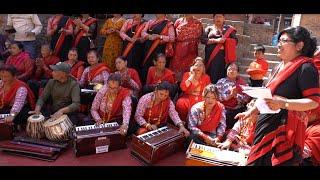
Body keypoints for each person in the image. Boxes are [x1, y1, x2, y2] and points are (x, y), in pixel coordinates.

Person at [235, 26, 320, 166]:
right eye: (279, 40)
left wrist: (284, 104)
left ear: (299, 45)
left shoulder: (306, 68)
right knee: (257, 161)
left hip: (287, 129)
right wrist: (251, 111)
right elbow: (268, 94)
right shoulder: (278, 67)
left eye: (284, 40)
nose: (278, 44)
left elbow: (313, 102)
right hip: (266, 123)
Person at [200, 14, 237, 84]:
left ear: (224, 19)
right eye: (216, 17)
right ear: (213, 18)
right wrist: (216, 41)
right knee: (209, 73)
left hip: (223, 57)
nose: (218, 19)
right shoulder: (209, 28)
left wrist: (225, 41)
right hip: (210, 56)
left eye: (220, 17)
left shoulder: (229, 29)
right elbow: (202, 40)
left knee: (221, 74)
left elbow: (235, 41)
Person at [140, 14, 175, 83]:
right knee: (146, 67)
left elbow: (172, 38)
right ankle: (146, 86)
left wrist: (159, 36)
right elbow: (142, 32)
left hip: (160, 49)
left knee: (159, 67)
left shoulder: (168, 24)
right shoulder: (150, 22)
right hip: (148, 48)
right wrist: (148, 36)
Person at [215, 63, 251, 129]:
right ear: (226, 71)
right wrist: (230, 96)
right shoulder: (221, 82)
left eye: (234, 69)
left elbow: (247, 98)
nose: (231, 71)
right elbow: (217, 96)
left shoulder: (242, 83)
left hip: (238, 109)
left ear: (237, 73)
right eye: (229, 69)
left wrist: (236, 96)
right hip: (224, 108)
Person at [176, 57, 211, 122]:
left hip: (201, 97)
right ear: (192, 67)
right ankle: (182, 122)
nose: (198, 67)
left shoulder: (206, 77)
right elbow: (183, 88)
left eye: (201, 65)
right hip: (188, 96)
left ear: (203, 68)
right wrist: (192, 76)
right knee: (180, 103)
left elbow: (208, 90)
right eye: (196, 65)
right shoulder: (187, 74)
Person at [170, 14, 203, 81]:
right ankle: (176, 86)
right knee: (176, 69)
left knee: (189, 69)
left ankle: (187, 87)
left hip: (191, 50)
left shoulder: (198, 23)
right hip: (179, 50)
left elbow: (200, 37)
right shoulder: (178, 21)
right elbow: (174, 36)